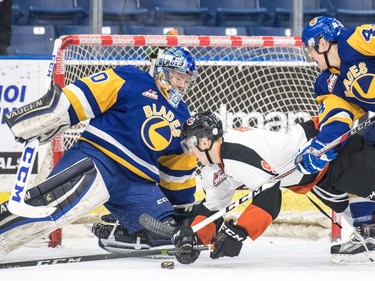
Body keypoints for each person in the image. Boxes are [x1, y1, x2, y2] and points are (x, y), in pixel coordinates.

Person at [0, 46, 198, 257]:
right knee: (48, 210)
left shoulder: (183, 115)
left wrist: (184, 215)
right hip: (96, 160)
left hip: (137, 185)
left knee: (167, 235)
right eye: (179, 78)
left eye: (187, 81)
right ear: (163, 71)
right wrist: (47, 114)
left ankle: (117, 230)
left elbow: (177, 169)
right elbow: (85, 94)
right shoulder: (132, 78)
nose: (182, 85)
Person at [170, 111, 375, 265]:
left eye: (190, 145)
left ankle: (370, 234)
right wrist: (195, 236)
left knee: (365, 185)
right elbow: (214, 206)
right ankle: (369, 234)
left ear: (204, 141)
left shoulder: (234, 152)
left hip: (323, 147)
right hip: (314, 177)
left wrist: (239, 232)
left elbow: (270, 197)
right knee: (353, 209)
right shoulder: (215, 167)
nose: (190, 153)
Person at [295, 16, 375, 262]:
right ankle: (368, 229)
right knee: (356, 153)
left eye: (310, 47)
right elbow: (338, 121)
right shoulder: (327, 83)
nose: (310, 55)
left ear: (322, 42)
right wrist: (319, 148)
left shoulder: (355, 39)